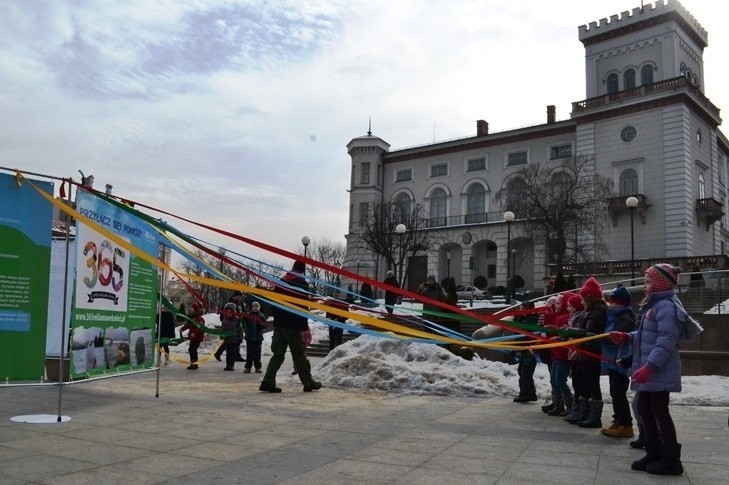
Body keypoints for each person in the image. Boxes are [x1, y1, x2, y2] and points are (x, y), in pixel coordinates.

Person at [609, 263, 702, 475]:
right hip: (650, 369)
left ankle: (670, 460)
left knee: (659, 411)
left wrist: (649, 367)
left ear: (661, 283)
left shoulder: (667, 307)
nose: (645, 285)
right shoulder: (653, 306)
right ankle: (654, 453)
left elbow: (665, 343)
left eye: (649, 281)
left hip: (659, 370)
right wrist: (626, 337)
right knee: (644, 409)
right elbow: (644, 337)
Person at [259, 261, 322, 393]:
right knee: (299, 354)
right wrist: (304, 326)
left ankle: (267, 381)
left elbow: (274, 302)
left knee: (278, 354)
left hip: (280, 324)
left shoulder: (281, 281)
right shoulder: (302, 284)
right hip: (293, 324)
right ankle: (308, 382)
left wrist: (276, 320)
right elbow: (303, 306)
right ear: (303, 270)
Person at [565, 277, 607, 428]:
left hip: (591, 354)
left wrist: (571, 332)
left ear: (589, 298)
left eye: (583, 299)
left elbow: (589, 333)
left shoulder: (597, 313)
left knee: (592, 384)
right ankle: (585, 413)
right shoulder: (590, 312)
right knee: (584, 384)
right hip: (586, 353)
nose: (581, 302)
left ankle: (594, 418)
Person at [600, 286, 636, 438]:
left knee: (618, 392)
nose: (611, 304)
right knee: (614, 392)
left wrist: (600, 337)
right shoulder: (613, 316)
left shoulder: (625, 318)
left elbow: (616, 338)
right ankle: (618, 420)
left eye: (614, 302)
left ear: (622, 303)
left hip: (620, 360)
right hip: (612, 360)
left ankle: (626, 424)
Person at [545, 293, 575, 416]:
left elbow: (565, 335)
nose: (555, 306)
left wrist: (554, 331)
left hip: (562, 355)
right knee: (553, 381)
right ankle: (558, 405)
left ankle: (570, 405)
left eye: (558, 303)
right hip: (555, 354)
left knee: (560, 381)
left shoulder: (565, 318)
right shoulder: (558, 317)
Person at [511, 301, 540, 403]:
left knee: (526, 372)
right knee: (521, 371)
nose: (520, 311)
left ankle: (528, 394)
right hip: (524, 349)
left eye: (522, 309)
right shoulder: (522, 318)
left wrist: (518, 321)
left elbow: (525, 329)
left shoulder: (533, 319)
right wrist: (517, 318)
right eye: (519, 309)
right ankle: (527, 393)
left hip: (531, 350)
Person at [214, 291, 246, 363]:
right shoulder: (230, 302)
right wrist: (224, 320)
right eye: (238, 296)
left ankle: (236, 356)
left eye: (240, 296)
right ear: (235, 296)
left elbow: (243, 312)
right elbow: (224, 311)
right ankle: (218, 353)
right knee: (230, 340)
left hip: (238, 323)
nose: (239, 297)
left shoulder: (241, 303)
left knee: (237, 340)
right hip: (231, 323)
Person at [243, 301, 267, 373]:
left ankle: (258, 367)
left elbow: (265, 325)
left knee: (257, 354)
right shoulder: (248, 315)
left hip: (258, 338)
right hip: (249, 338)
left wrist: (261, 325)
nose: (255, 308)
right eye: (254, 306)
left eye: (257, 306)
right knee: (249, 353)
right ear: (252, 307)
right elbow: (244, 323)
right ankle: (248, 367)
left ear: (259, 308)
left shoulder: (261, 316)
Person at [180, 302, 205, 370]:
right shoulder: (193, 317)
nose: (190, 309)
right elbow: (188, 325)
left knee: (193, 350)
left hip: (197, 337)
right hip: (193, 337)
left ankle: (194, 364)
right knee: (191, 349)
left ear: (195, 309)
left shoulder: (199, 318)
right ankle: (193, 363)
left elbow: (199, 327)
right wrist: (182, 328)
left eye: (192, 308)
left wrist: (194, 334)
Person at [220, 302, 240, 371]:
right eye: (227, 313)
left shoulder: (237, 320)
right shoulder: (224, 320)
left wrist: (240, 338)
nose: (229, 314)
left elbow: (240, 330)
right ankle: (228, 365)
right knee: (228, 353)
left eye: (230, 313)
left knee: (232, 353)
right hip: (227, 339)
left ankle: (231, 365)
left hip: (234, 340)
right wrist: (221, 335)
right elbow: (222, 329)